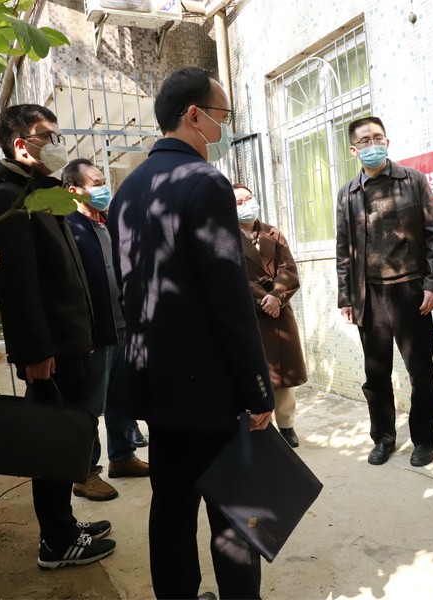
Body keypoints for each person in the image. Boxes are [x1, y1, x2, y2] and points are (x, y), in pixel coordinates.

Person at [108, 67, 274, 600]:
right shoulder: (205, 182)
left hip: (156, 384)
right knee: (235, 513)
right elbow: (229, 298)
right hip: (211, 388)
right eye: (222, 115)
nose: (225, 125)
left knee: (171, 507)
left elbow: (130, 289)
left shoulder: (128, 190)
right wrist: (257, 388)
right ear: (194, 115)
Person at [0, 104, 116, 568]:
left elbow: (62, 275)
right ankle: (56, 542)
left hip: (67, 341)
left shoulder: (41, 192)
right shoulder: (6, 196)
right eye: (48, 137)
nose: (58, 145)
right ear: (22, 145)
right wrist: (35, 351)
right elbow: (17, 284)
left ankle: (64, 523)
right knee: (51, 442)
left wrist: (83, 332)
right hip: (48, 349)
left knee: (65, 436)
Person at [335, 116, 433, 468]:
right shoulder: (347, 193)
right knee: (376, 374)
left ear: (387, 141)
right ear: (354, 150)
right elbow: (343, 249)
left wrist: (432, 284)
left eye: (378, 137)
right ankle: (383, 438)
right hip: (368, 296)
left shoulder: (412, 180)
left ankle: (424, 439)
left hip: (409, 290)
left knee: (420, 371)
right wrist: (346, 298)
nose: (373, 145)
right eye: (365, 141)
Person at [62, 159, 151, 502]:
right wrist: (79, 332)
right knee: (89, 406)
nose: (104, 188)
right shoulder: (68, 227)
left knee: (121, 397)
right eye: (96, 182)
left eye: (103, 181)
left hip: (124, 324)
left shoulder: (110, 222)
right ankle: (84, 473)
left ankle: (123, 456)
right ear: (74, 190)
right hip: (95, 333)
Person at [233, 183, 308, 448]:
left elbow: (288, 268)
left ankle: (287, 425)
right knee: (258, 371)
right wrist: (261, 298)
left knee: (284, 373)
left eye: (249, 198)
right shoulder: (227, 237)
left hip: (279, 310)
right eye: (239, 202)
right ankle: (264, 426)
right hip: (250, 311)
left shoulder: (273, 233)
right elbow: (232, 276)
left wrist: (276, 296)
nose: (246, 205)